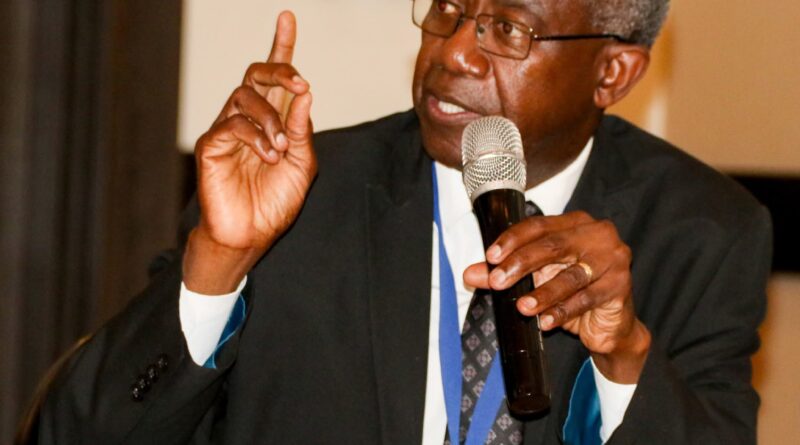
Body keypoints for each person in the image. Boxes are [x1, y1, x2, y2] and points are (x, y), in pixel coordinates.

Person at [36, 1, 771, 444]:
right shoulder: (298, 196)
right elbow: (71, 435)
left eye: (508, 28)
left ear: (613, 73)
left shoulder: (703, 235)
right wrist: (218, 262)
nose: (453, 51)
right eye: (448, 8)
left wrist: (624, 358)